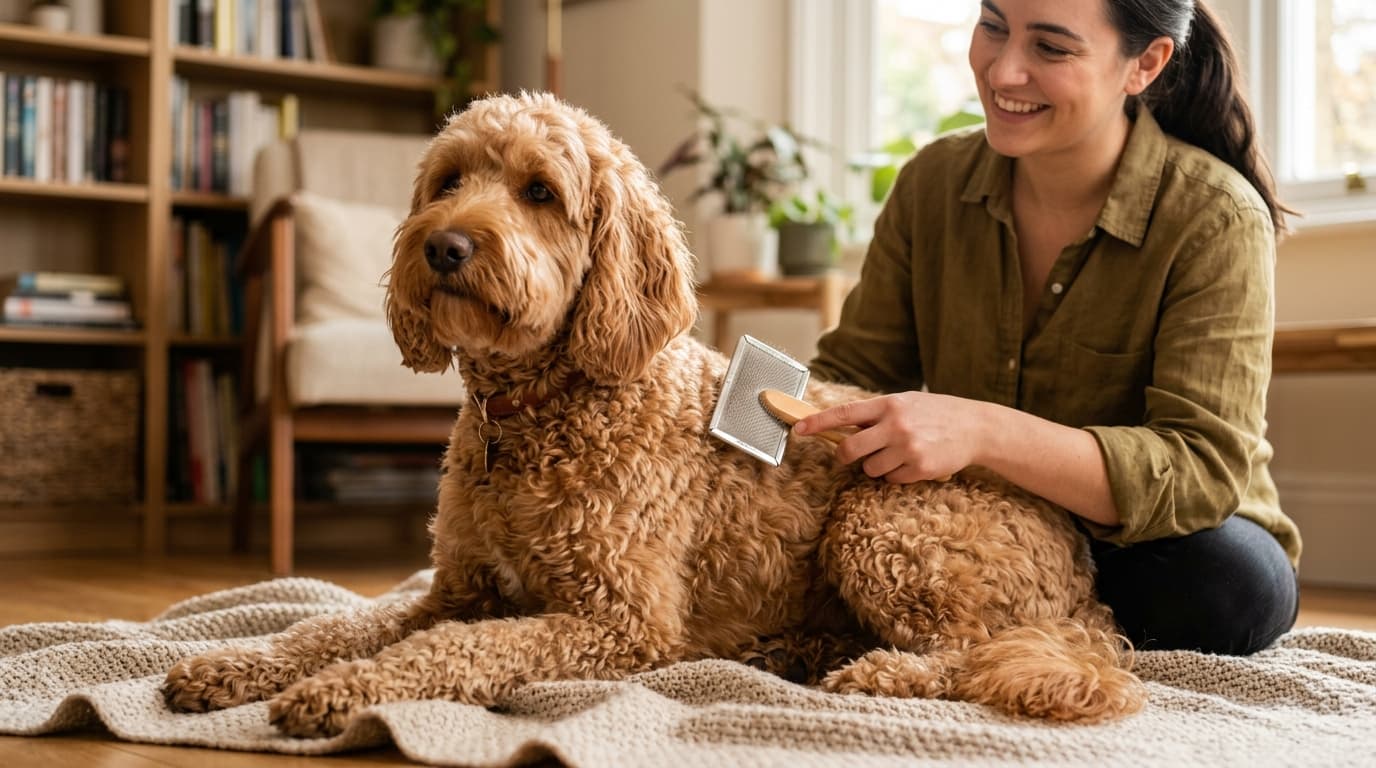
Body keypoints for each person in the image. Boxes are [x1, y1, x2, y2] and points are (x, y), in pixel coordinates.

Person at [795, 0, 1301, 655]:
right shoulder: (932, 184)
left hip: (1150, 544)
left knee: (1228, 587)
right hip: (976, 527)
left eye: (1051, 49)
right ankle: (1007, 616)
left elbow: (1200, 468)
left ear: (1144, 64)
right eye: (993, 26)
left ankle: (1003, 619)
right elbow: (851, 376)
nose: (1004, 71)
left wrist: (981, 430)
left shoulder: (1216, 216)